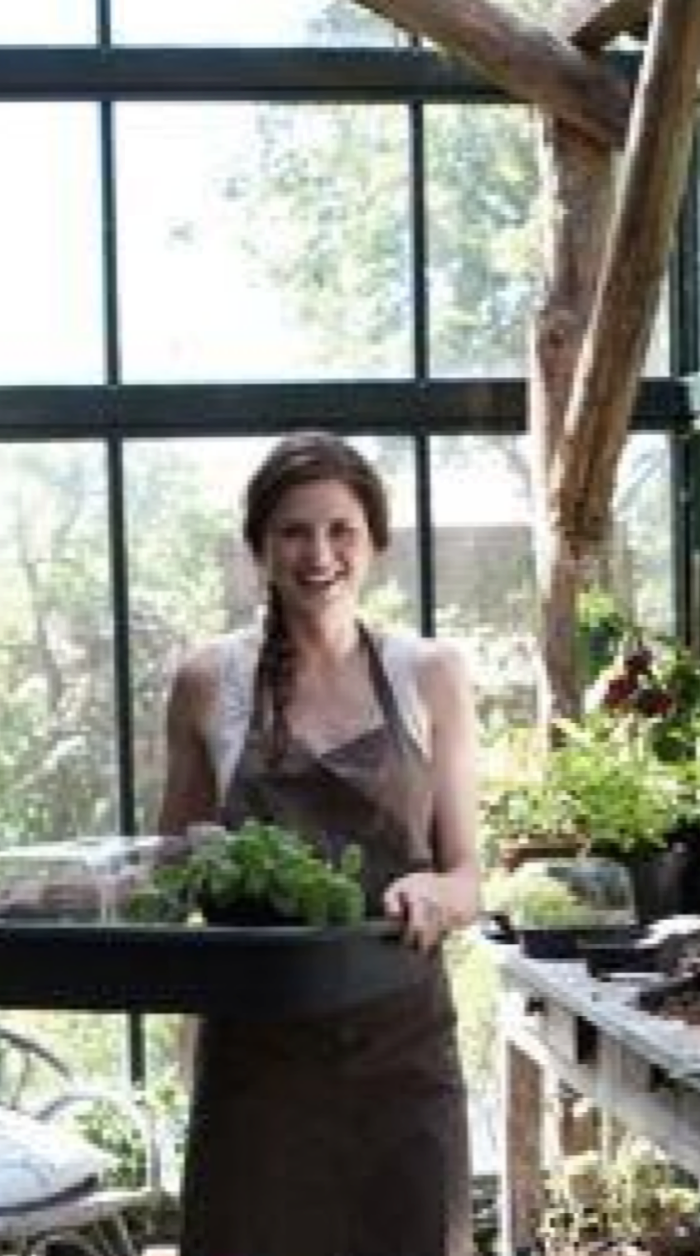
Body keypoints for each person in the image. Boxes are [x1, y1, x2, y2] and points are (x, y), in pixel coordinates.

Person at [156, 431, 483, 1256]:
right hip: (256, 1067)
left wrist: (437, 892)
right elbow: (169, 875)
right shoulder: (208, 683)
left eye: (341, 529)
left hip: (403, 1054)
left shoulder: (429, 674)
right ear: (260, 548)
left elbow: (469, 876)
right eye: (294, 531)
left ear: (375, 541)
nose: (319, 553)